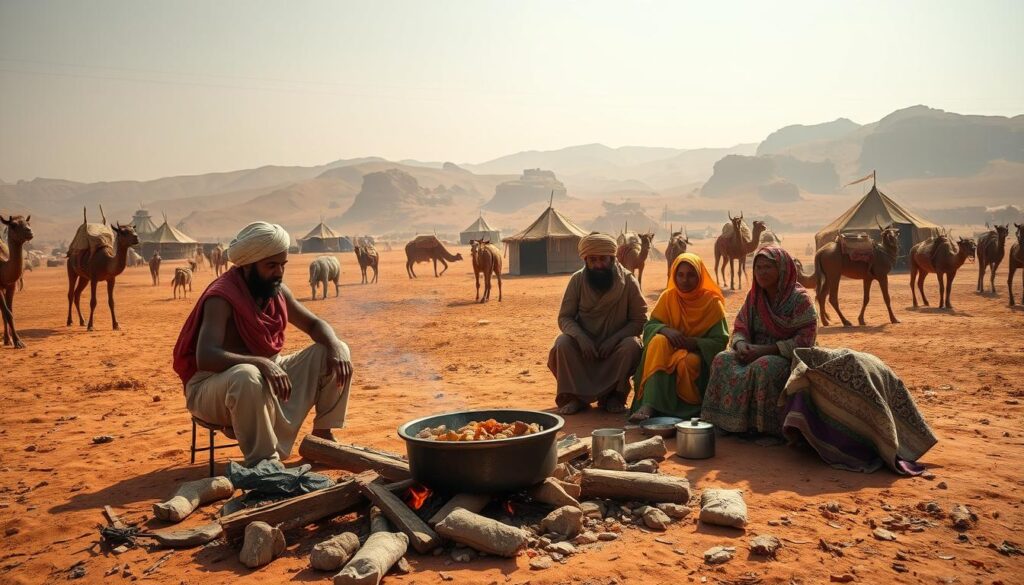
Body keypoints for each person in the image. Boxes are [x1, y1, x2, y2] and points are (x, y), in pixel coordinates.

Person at [172, 222, 353, 467]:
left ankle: (322, 437)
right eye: (271, 266)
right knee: (247, 375)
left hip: (264, 375)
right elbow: (206, 356)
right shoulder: (222, 297)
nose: (279, 272)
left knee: (336, 349)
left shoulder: (276, 290)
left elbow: (314, 325)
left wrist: (332, 343)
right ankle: (264, 462)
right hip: (212, 386)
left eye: (282, 265)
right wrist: (260, 363)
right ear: (247, 265)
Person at [701, 246, 816, 435]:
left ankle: (761, 429)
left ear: (782, 269)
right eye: (758, 267)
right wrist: (740, 344)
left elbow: (806, 340)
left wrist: (764, 350)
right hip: (752, 351)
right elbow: (740, 327)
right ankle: (721, 422)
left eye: (768, 267)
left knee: (763, 366)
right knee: (722, 359)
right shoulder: (755, 297)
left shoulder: (799, 299)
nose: (761, 272)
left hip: (785, 356)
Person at [548, 233, 647, 415]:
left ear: (612, 258)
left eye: (603, 259)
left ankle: (614, 396)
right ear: (585, 260)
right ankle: (575, 397)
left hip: (614, 349)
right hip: (584, 349)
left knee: (632, 346)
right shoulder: (577, 280)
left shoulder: (628, 281)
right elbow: (565, 318)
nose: (598, 265)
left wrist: (615, 339)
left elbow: (639, 320)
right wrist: (581, 338)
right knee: (562, 343)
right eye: (592, 260)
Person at [629, 253, 729, 422]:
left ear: (700, 276)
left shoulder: (712, 303)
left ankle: (688, 411)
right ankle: (650, 405)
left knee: (687, 362)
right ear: (674, 275)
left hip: (697, 354)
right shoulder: (668, 297)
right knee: (658, 341)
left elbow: (720, 341)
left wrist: (695, 343)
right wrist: (666, 330)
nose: (685, 280)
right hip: (669, 350)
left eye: (691, 275)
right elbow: (650, 326)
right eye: (680, 275)